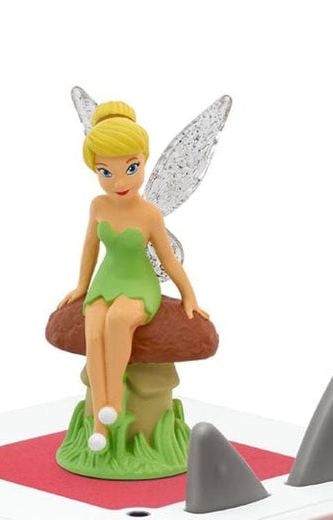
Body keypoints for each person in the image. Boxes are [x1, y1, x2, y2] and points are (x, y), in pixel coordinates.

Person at [58, 100, 208, 452]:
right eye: (105, 172)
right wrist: (81, 286)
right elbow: (90, 248)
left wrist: (189, 294)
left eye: (131, 167)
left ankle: (112, 403)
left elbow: (168, 260)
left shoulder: (149, 214)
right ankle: (100, 424)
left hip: (139, 283)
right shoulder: (98, 206)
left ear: (144, 160)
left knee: (119, 320)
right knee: (94, 326)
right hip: (107, 280)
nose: (119, 181)